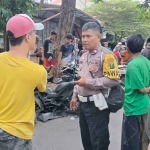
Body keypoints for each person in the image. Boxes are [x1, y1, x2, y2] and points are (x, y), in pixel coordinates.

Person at [0, 14, 47, 150]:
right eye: (34, 33)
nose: (35, 37)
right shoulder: (37, 71)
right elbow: (42, 88)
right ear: (27, 37)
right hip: (17, 134)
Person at [70, 22, 119, 150]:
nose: (84, 40)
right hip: (82, 104)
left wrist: (88, 82)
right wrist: (74, 95)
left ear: (98, 37)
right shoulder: (83, 55)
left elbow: (113, 81)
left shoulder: (107, 55)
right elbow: (80, 77)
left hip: (97, 106)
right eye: (83, 36)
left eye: (88, 36)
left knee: (99, 142)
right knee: (86, 141)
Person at [121, 34, 150, 150]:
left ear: (127, 47)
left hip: (133, 107)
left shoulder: (133, 65)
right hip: (145, 105)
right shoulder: (146, 61)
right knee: (143, 138)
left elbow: (141, 89)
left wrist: (147, 89)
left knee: (131, 141)